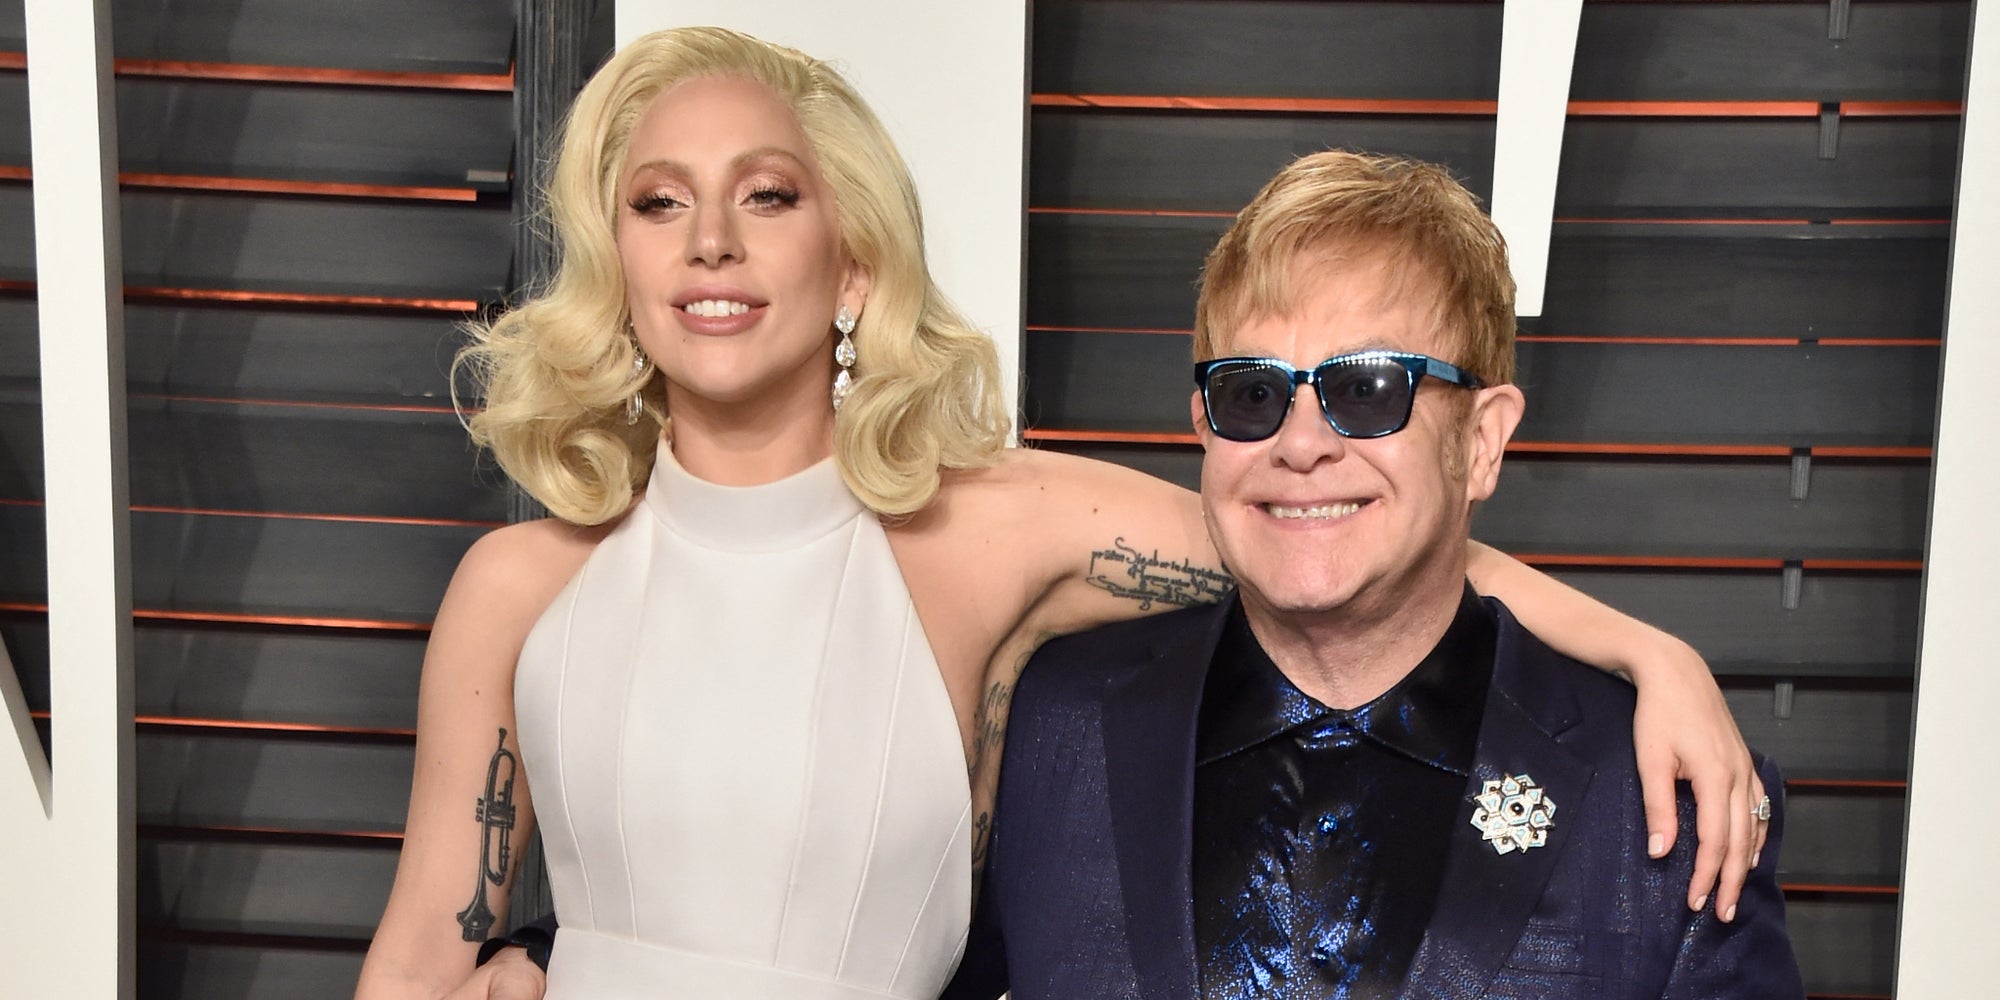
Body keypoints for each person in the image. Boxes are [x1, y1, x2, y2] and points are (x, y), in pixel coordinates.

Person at [353, 28, 1769, 1000]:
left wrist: (1653, 655)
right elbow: (424, 953)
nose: (711, 241)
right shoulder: (516, 590)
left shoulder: (983, 535)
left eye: (767, 194)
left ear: (851, 266)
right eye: (659, 204)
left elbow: (1309, 524)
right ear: (618, 258)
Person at [942, 150, 1803, 1000]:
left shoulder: (1673, 805)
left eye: (1366, 389)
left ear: (1481, 440)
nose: (1303, 443)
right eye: (1254, 394)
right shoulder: (1049, 736)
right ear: (1203, 427)